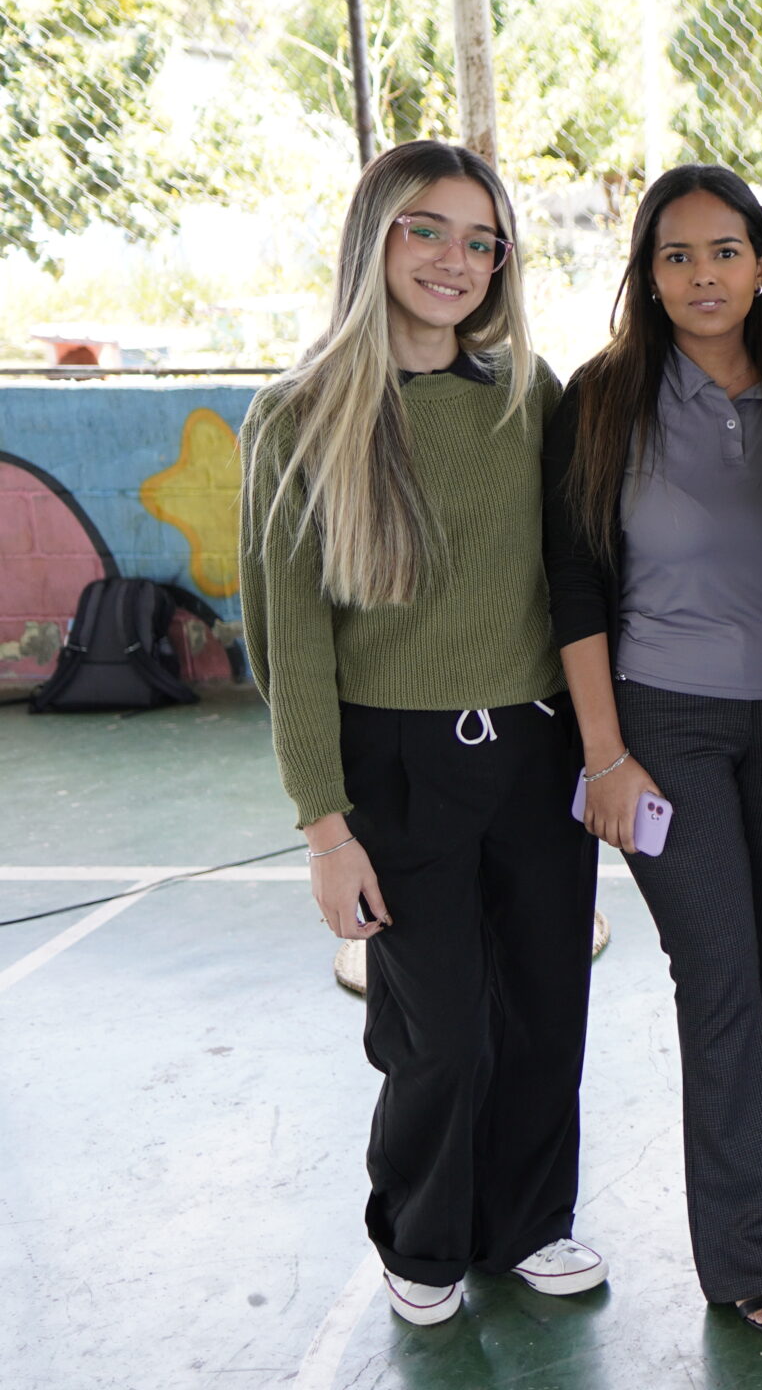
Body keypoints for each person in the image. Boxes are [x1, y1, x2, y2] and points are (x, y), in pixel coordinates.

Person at [238, 140, 603, 1327]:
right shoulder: (297, 415)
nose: (457, 259)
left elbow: (573, 578)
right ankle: (423, 1236)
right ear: (375, 237)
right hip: (394, 767)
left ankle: (529, 1223)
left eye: (481, 240)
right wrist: (326, 830)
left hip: (536, 750)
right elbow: (291, 641)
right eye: (428, 230)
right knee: (439, 1033)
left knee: (544, 1008)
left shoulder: (526, 394)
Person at [541, 164, 762, 1334]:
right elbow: (572, 583)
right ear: (648, 277)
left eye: (724, 251)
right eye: (676, 256)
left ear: (760, 266)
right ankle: (752, 1252)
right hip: (664, 721)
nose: (702, 275)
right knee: (713, 972)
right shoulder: (603, 397)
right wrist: (605, 756)